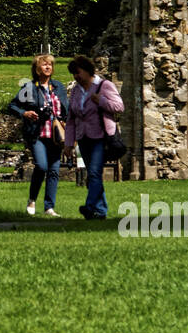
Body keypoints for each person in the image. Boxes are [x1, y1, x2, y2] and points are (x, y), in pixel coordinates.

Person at [7, 54, 69, 217]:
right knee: (42, 166)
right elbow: (12, 106)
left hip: (56, 134)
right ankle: (32, 199)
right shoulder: (29, 88)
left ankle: (49, 207)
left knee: (54, 170)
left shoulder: (58, 87)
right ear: (36, 69)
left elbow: (66, 110)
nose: (48, 67)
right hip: (37, 134)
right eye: (44, 65)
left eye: (50, 64)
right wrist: (24, 113)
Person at [64, 54, 124, 220]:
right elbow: (71, 119)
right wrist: (68, 143)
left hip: (100, 137)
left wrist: (102, 101)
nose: (76, 76)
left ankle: (90, 207)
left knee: (95, 174)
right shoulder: (76, 90)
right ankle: (101, 211)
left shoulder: (104, 85)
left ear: (88, 70)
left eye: (78, 72)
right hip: (83, 138)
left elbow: (120, 107)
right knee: (93, 174)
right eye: (73, 74)